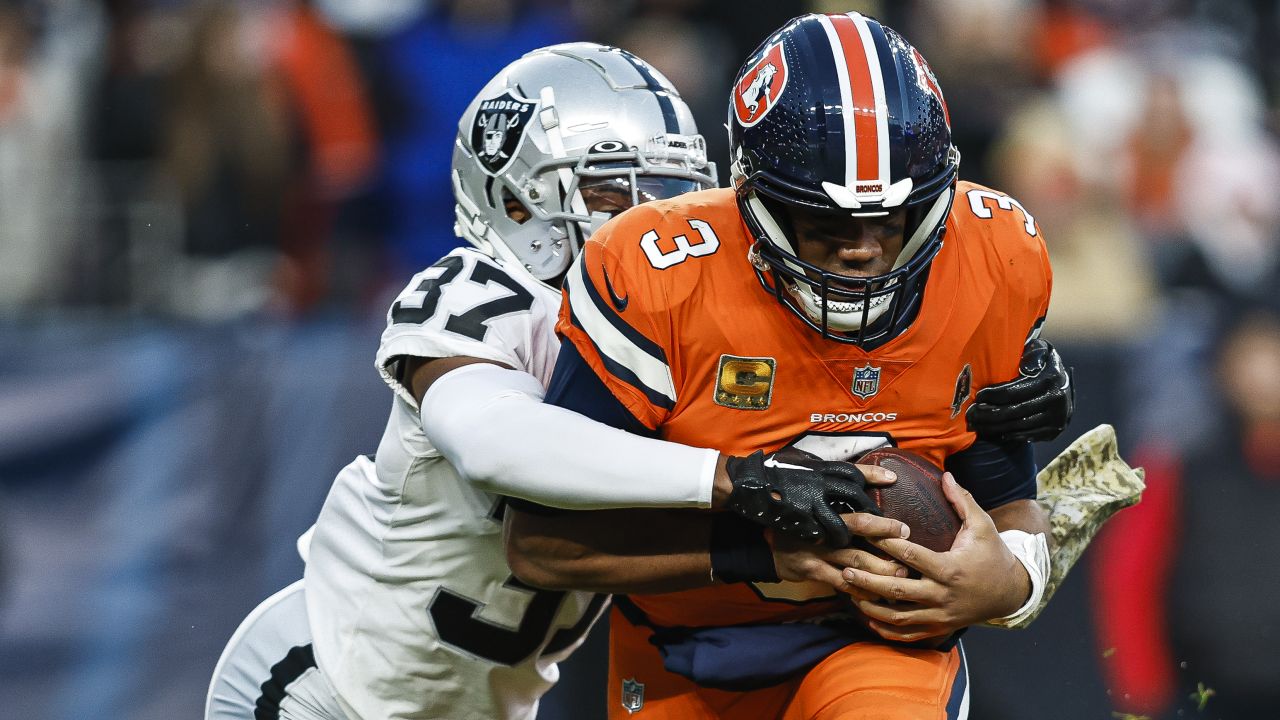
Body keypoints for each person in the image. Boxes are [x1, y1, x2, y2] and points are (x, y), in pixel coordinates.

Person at [206, 35, 1073, 720]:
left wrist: (978, 376)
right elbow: (498, 443)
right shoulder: (481, 293)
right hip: (333, 679)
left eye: (673, 191)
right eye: (625, 194)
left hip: (480, 700)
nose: (656, 220)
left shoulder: (669, 301)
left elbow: (809, 390)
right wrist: (736, 483)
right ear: (517, 198)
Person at [504, 13, 1063, 719]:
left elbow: (1012, 504)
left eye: (887, 222)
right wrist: (760, 548)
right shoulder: (658, 274)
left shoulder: (991, 256)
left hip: (875, 648)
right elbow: (540, 544)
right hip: (682, 649)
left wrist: (1011, 585)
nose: (860, 250)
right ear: (756, 202)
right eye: (826, 224)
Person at [1092, 307, 1280, 719]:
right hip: (1203, 692)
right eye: (1253, 358)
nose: (1266, 377)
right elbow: (1129, 580)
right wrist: (1144, 693)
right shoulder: (1177, 466)